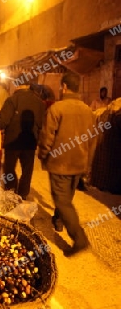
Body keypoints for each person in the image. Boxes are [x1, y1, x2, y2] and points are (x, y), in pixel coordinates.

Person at [38, 71, 97, 256]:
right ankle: (58, 220)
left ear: (64, 87)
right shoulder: (88, 111)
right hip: (78, 164)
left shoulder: (57, 109)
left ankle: (79, 238)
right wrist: (87, 164)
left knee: (62, 201)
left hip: (60, 163)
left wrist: (43, 154)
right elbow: (92, 141)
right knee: (67, 196)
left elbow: (47, 136)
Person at [0, 81, 45, 200]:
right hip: (30, 142)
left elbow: (3, 121)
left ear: (17, 84)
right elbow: (41, 123)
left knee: (9, 168)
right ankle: (23, 194)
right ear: (29, 85)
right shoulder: (39, 102)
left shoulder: (12, 100)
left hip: (12, 142)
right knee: (27, 170)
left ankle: (11, 191)